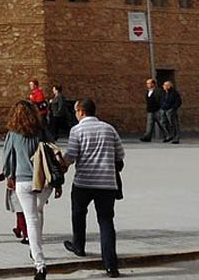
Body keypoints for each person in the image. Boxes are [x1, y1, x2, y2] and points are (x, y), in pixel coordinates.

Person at [62, 98, 124, 278]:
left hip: (83, 182)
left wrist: (60, 163)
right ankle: (111, 265)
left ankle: (79, 246)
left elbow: (71, 156)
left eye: (76, 111)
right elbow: (120, 153)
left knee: (78, 213)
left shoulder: (77, 130)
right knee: (106, 221)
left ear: (81, 112)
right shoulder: (109, 129)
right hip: (106, 183)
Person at [0, 100, 59, 280]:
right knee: (38, 213)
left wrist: (9, 176)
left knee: (31, 219)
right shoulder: (41, 131)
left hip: (23, 181)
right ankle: (35, 249)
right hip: (43, 181)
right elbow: (53, 152)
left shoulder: (13, 134)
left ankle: (39, 264)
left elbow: (7, 158)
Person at [140, 78, 164, 142]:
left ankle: (167, 136)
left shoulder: (158, 91)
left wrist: (161, 108)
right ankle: (147, 137)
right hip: (150, 110)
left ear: (153, 84)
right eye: (147, 83)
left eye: (149, 83)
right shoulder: (148, 91)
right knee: (149, 124)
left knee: (161, 124)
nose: (147, 85)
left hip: (157, 110)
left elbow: (160, 99)